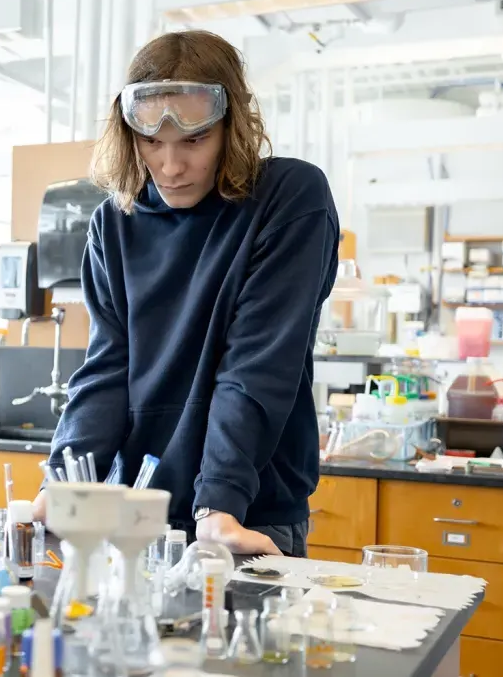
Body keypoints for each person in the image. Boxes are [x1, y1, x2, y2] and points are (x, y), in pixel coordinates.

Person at [31, 30, 339, 557]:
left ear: (231, 127)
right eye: (152, 143)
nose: (170, 167)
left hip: (246, 514)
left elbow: (256, 366)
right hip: (139, 512)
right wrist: (60, 482)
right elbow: (109, 368)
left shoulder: (290, 199)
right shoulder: (114, 221)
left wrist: (218, 505)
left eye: (193, 142)